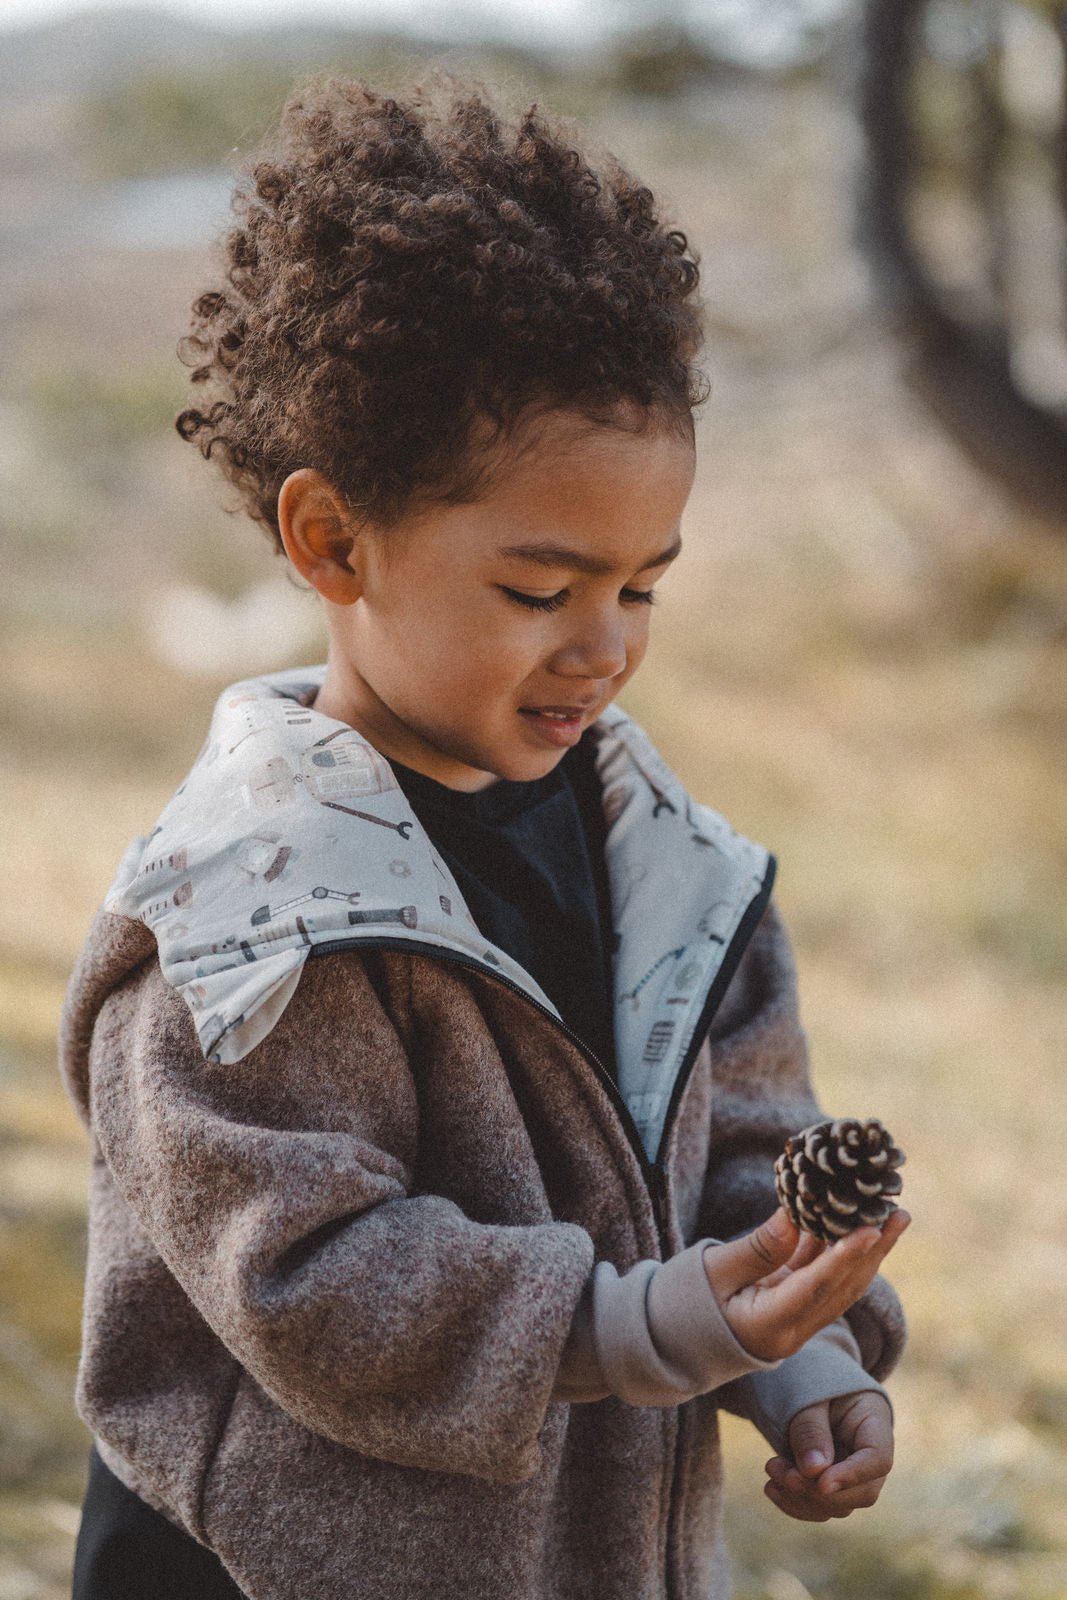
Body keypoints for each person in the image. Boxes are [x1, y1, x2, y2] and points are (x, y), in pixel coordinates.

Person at [59, 70, 909, 1600]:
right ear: (333, 540)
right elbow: (312, 1278)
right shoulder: (243, 918)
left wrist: (800, 1355)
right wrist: (648, 1326)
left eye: (642, 584)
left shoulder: (679, 873)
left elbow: (749, 1167)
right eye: (540, 590)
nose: (605, 647)